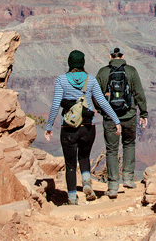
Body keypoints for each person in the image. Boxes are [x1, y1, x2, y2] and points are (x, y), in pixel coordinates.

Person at [45, 50, 121, 205]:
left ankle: (72, 198)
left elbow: (55, 104)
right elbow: (102, 102)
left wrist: (49, 125)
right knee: (84, 157)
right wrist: (116, 120)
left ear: (70, 63)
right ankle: (86, 183)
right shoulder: (91, 80)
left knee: (71, 164)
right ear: (83, 63)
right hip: (88, 126)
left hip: (69, 127)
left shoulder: (61, 80)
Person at [96, 46, 148, 199]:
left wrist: (101, 111)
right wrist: (143, 112)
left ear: (111, 56)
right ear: (123, 56)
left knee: (111, 150)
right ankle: (128, 178)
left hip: (110, 118)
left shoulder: (103, 72)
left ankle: (113, 186)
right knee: (129, 144)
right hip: (129, 114)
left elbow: (96, 94)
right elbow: (139, 93)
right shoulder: (131, 71)